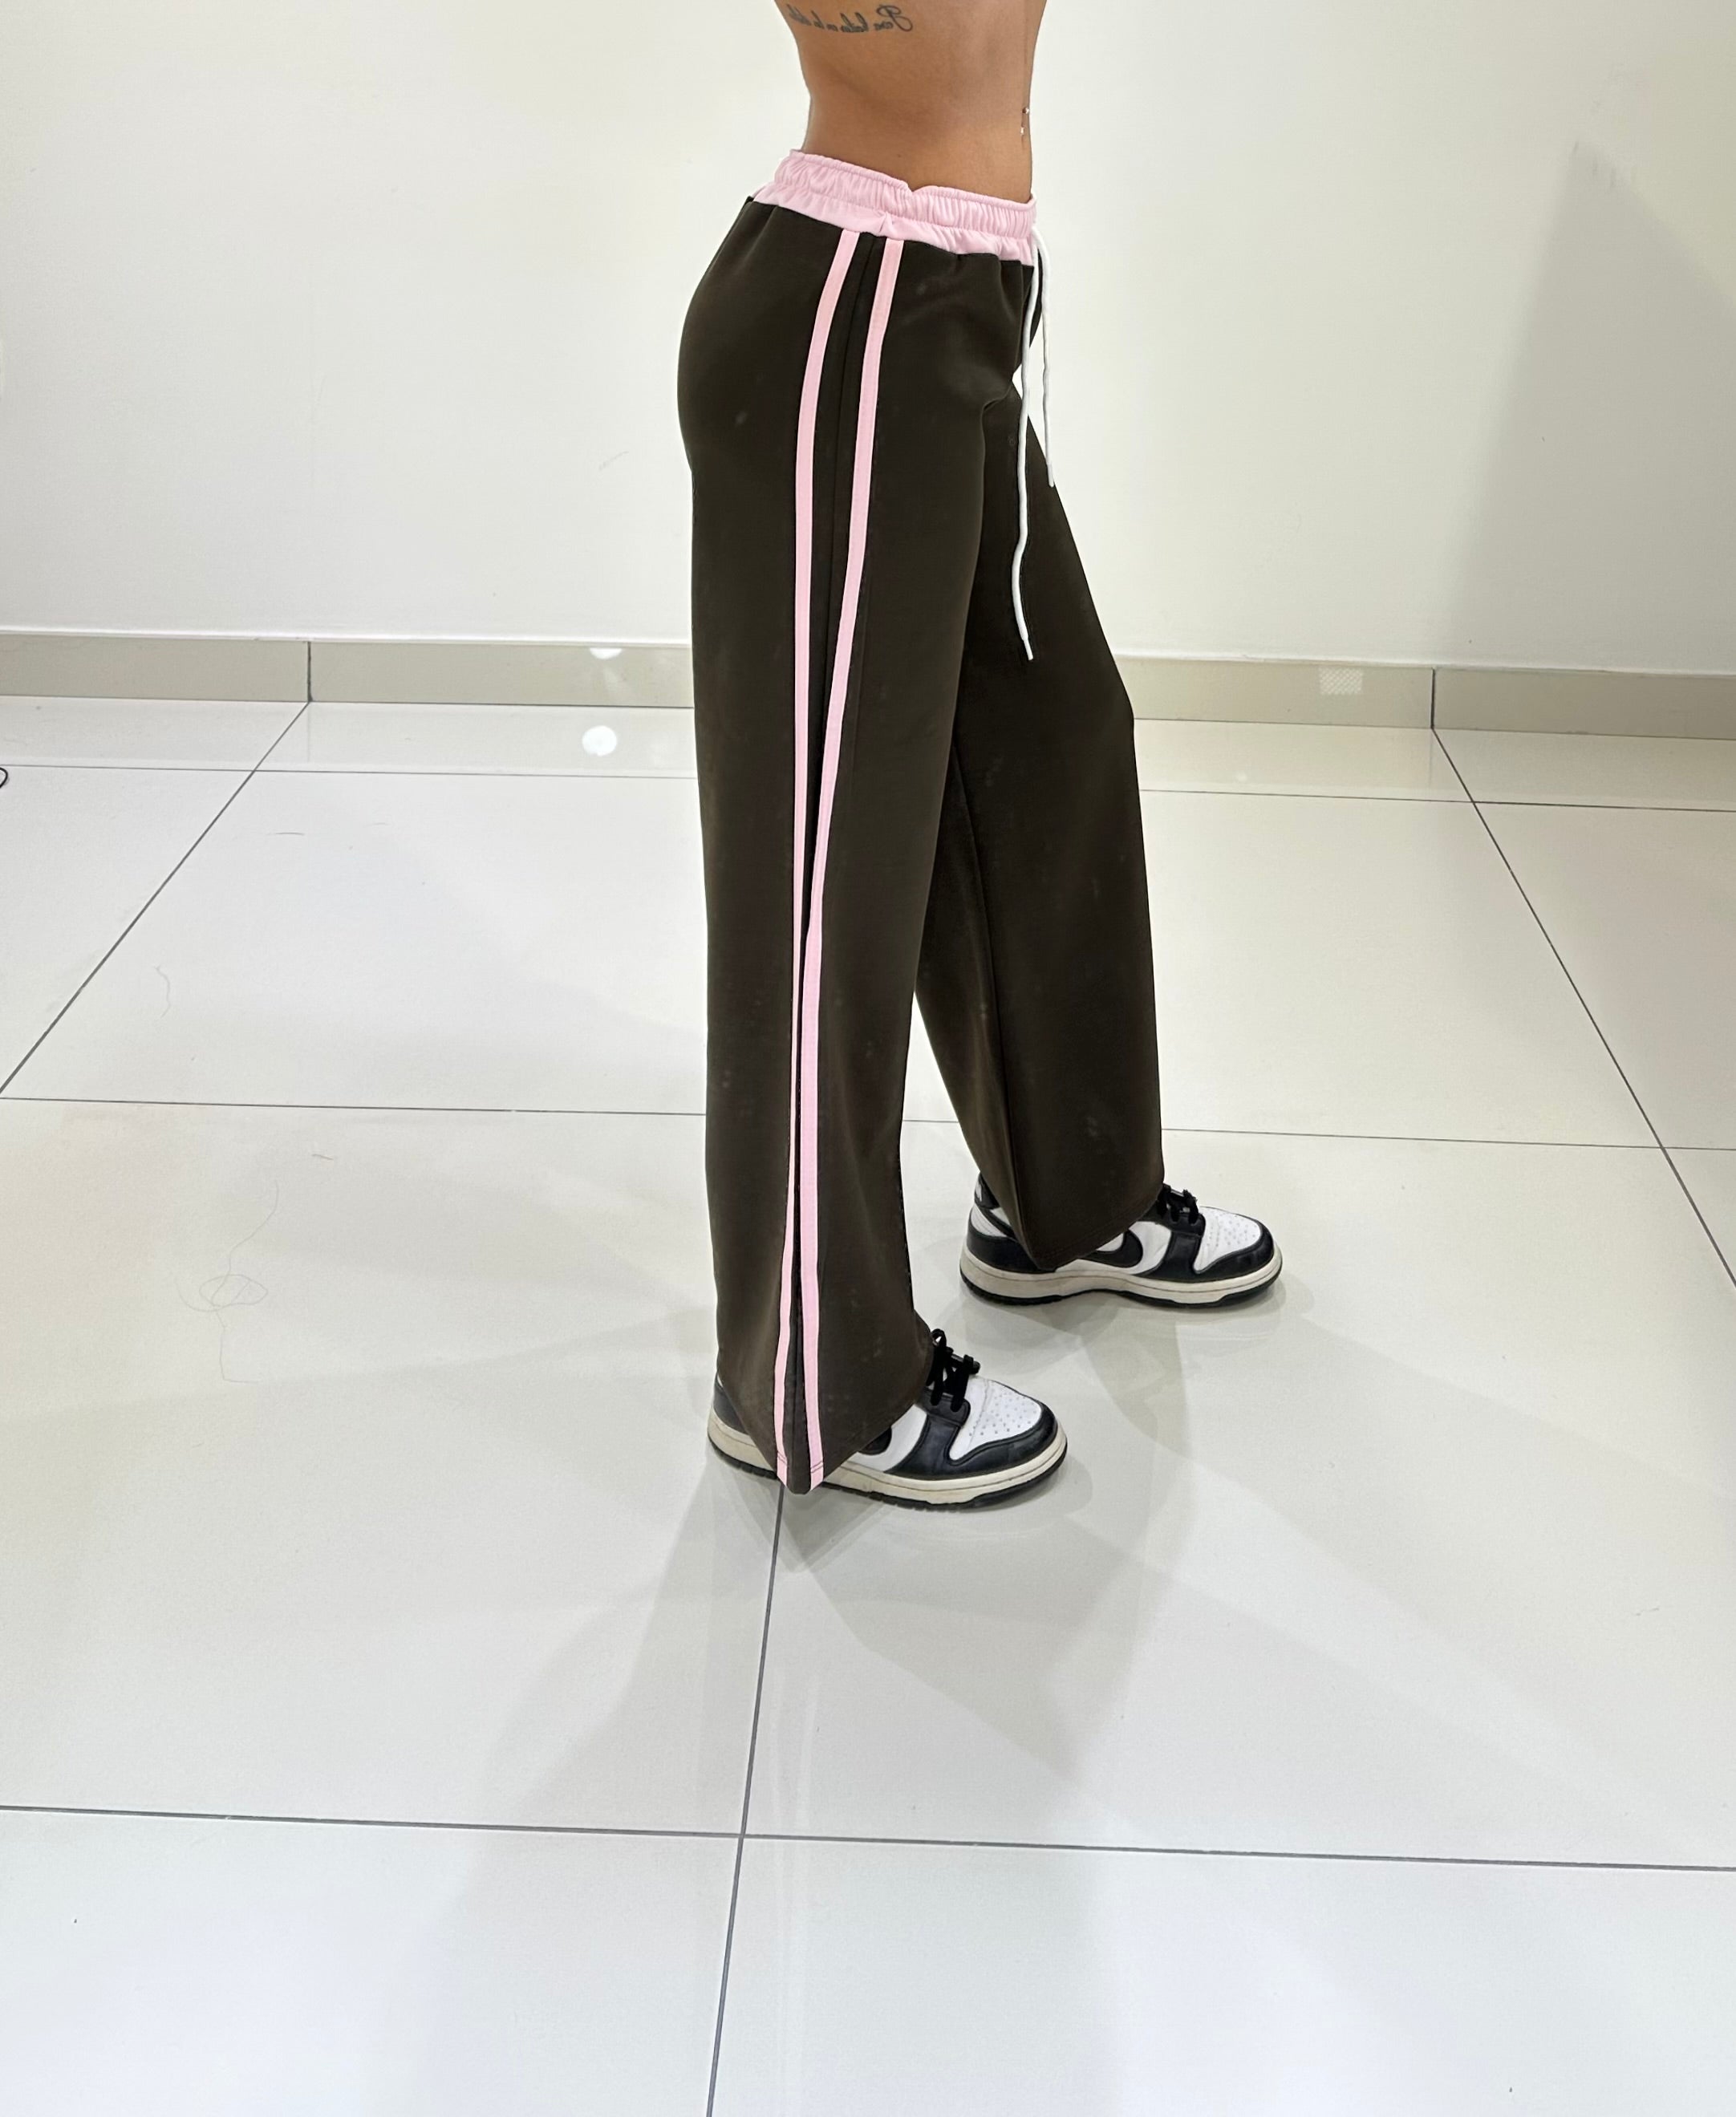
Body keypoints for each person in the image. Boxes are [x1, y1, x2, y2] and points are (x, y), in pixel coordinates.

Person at [677, 0, 1280, 1510]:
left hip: (954, 305)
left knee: (1050, 743)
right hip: (854, 311)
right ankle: (811, 1376)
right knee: (827, 878)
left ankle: (1063, 1204)